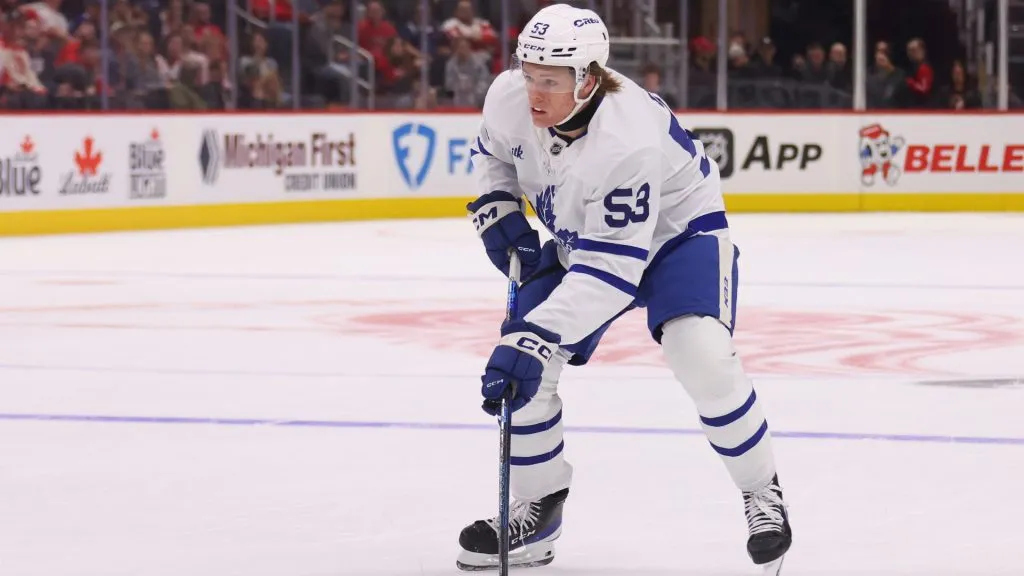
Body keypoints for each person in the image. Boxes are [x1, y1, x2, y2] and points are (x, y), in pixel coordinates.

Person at [456, 4, 792, 574]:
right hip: (585, 235)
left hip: (676, 234)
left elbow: (613, 273)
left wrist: (534, 336)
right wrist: (495, 206)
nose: (532, 91)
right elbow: (494, 154)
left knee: (700, 353)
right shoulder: (509, 95)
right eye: (528, 71)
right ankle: (538, 509)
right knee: (528, 371)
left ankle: (762, 490)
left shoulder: (627, 137)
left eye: (549, 81)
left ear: (587, 78)